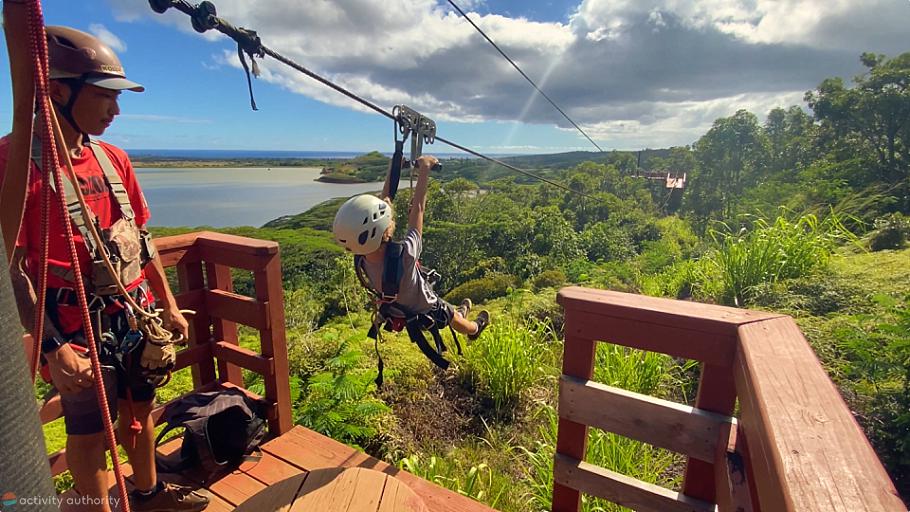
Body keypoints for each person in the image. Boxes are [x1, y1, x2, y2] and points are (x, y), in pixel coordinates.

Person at [0, 26, 208, 511]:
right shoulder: (13, 164)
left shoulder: (112, 159)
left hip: (135, 315)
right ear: (56, 91)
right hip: (74, 328)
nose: (115, 111)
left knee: (141, 412)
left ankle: (149, 493)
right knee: (89, 435)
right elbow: (10, 270)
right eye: (104, 97)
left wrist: (170, 306)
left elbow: (143, 240)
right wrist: (53, 349)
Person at [333, 155, 490, 348]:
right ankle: (475, 329)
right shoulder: (405, 254)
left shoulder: (361, 257)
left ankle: (462, 313)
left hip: (396, 310)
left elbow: (385, 201)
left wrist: (394, 169)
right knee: (454, 317)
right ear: (385, 230)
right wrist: (425, 168)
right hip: (426, 308)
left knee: (450, 311)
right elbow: (419, 209)